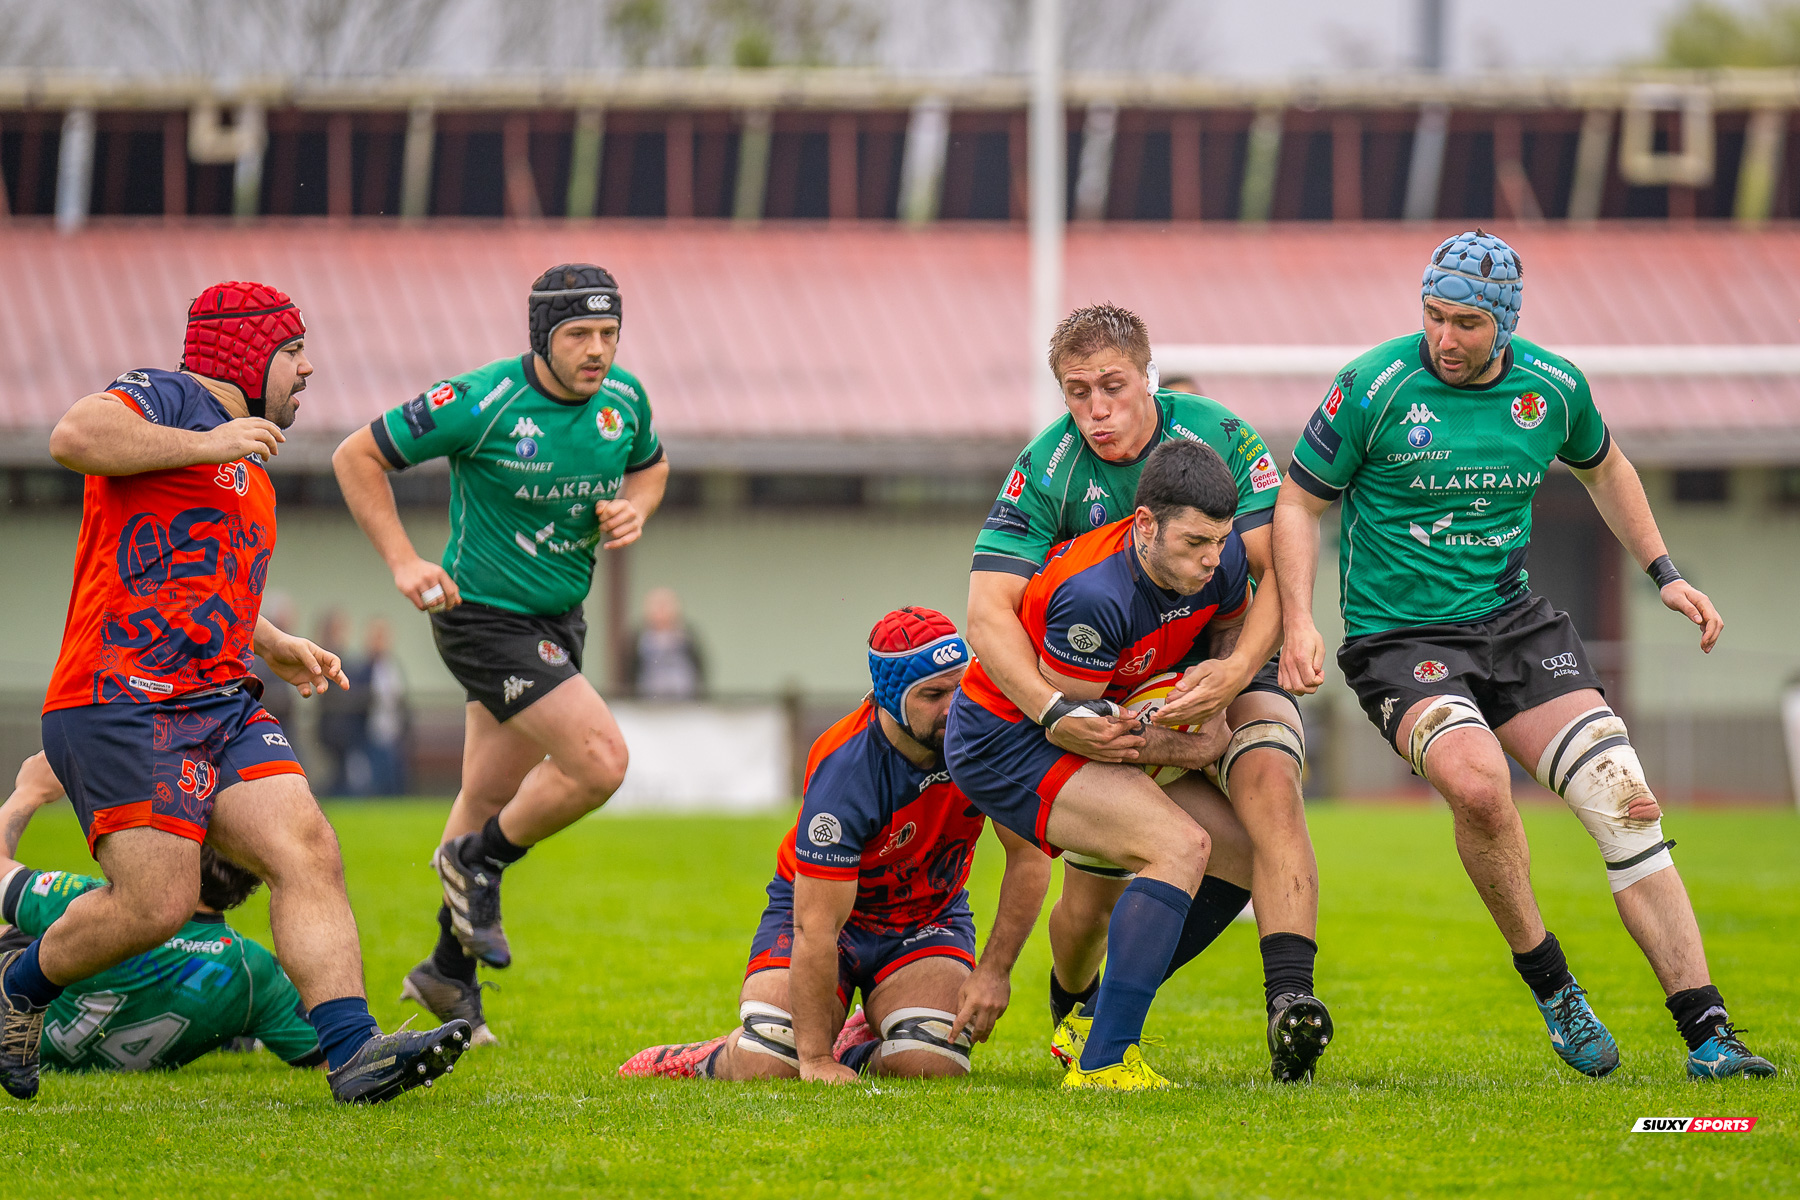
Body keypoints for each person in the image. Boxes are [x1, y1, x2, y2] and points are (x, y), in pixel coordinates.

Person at [1274, 228, 1776, 1082]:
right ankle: (1552, 986)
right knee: (1477, 784)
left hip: (1513, 624)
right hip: (1401, 642)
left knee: (1626, 801)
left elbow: (1607, 468)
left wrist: (1664, 573)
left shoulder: (1553, 389)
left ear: (1504, 323)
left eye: (1465, 322)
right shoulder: (1373, 385)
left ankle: (1710, 1035)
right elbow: (1298, 502)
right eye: (1432, 315)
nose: (1444, 338)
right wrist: (1299, 619)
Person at [2, 281, 470, 1104]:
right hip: (122, 696)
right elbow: (72, 435)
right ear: (246, 354)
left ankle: (354, 1054)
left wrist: (275, 642)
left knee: (307, 848)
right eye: (293, 353)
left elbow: (194, 577)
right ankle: (18, 988)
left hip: (217, 700)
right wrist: (207, 440)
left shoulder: (244, 463)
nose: (308, 368)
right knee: (157, 905)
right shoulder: (171, 399)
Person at [965, 303, 1328, 1082]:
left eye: (1113, 387)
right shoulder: (1051, 473)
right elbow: (987, 615)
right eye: (1076, 392)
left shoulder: (1217, 435)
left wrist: (1234, 675)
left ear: (1148, 376)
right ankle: (1083, 1022)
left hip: (1211, 661)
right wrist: (1058, 710)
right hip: (1084, 689)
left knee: (1251, 817)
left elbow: (1271, 565)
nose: (1096, 410)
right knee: (1103, 893)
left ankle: (1284, 999)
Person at [332, 264, 668, 1046]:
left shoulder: (626, 402)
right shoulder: (481, 401)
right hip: (481, 619)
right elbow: (357, 456)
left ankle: (448, 974)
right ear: (541, 337)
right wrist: (403, 562)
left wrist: (635, 509)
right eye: (578, 334)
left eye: (609, 333)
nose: (597, 351)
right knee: (600, 761)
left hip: (560, 618)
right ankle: (479, 865)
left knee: (484, 790)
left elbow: (651, 465)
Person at [947, 441, 1270, 1091]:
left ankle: (1090, 1021)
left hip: (1102, 723)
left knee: (1244, 853)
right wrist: (1196, 744)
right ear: (1145, 526)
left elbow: (1230, 637)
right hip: (1008, 739)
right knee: (1181, 846)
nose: (1213, 559)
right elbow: (1080, 731)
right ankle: (1104, 1062)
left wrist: (1222, 682)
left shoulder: (1225, 556)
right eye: (1195, 544)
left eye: (1220, 540)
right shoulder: (1093, 598)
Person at [619, 608, 1050, 1082]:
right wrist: (814, 1060)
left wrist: (994, 971)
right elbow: (817, 928)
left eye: (959, 688)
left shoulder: (987, 738)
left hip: (926, 918)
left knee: (933, 1060)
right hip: (825, 919)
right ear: (890, 697)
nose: (954, 707)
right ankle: (704, 1058)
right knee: (772, 1059)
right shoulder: (845, 768)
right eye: (932, 694)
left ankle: (860, 1045)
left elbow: (1030, 858)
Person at [0, 754, 323, 1072]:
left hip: (47, 1046)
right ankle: (232, 1035)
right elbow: (321, 1053)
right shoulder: (254, 970)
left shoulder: (82, 902)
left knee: (17, 937)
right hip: (153, 1038)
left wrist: (30, 792)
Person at [627, 586, 707, 700]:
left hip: (685, 702)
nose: (661, 612)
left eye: (665, 606)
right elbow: (629, 672)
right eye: (657, 607)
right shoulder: (638, 639)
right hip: (647, 704)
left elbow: (699, 669)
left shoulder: (688, 637)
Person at [362, 618, 410, 796]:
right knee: (375, 781)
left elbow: (402, 701)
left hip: (394, 733)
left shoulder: (394, 667)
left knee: (394, 780)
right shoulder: (364, 668)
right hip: (372, 734)